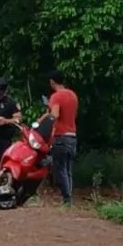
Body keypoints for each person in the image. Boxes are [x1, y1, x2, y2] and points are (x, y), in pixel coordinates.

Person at [45, 70, 78, 206]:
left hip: (61, 136)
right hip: (72, 136)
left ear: (52, 82)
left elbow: (55, 115)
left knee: (60, 169)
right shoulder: (73, 95)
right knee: (68, 169)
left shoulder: (56, 96)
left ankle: (67, 199)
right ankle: (69, 198)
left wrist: (46, 125)